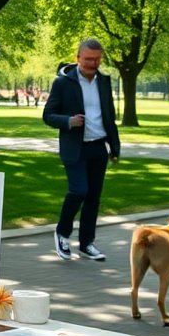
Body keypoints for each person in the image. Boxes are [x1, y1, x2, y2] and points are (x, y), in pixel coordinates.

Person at [43, 38, 120, 262]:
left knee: (93, 197)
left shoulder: (104, 81)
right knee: (79, 191)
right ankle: (62, 233)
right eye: (88, 60)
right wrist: (68, 120)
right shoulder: (63, 83)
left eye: (96, 60)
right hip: (75, 148)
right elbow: (48, 115)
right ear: (78, 58)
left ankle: (87, 243)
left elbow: (109, 117)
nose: (92, 64)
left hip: (98, 147)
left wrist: (114, 148)